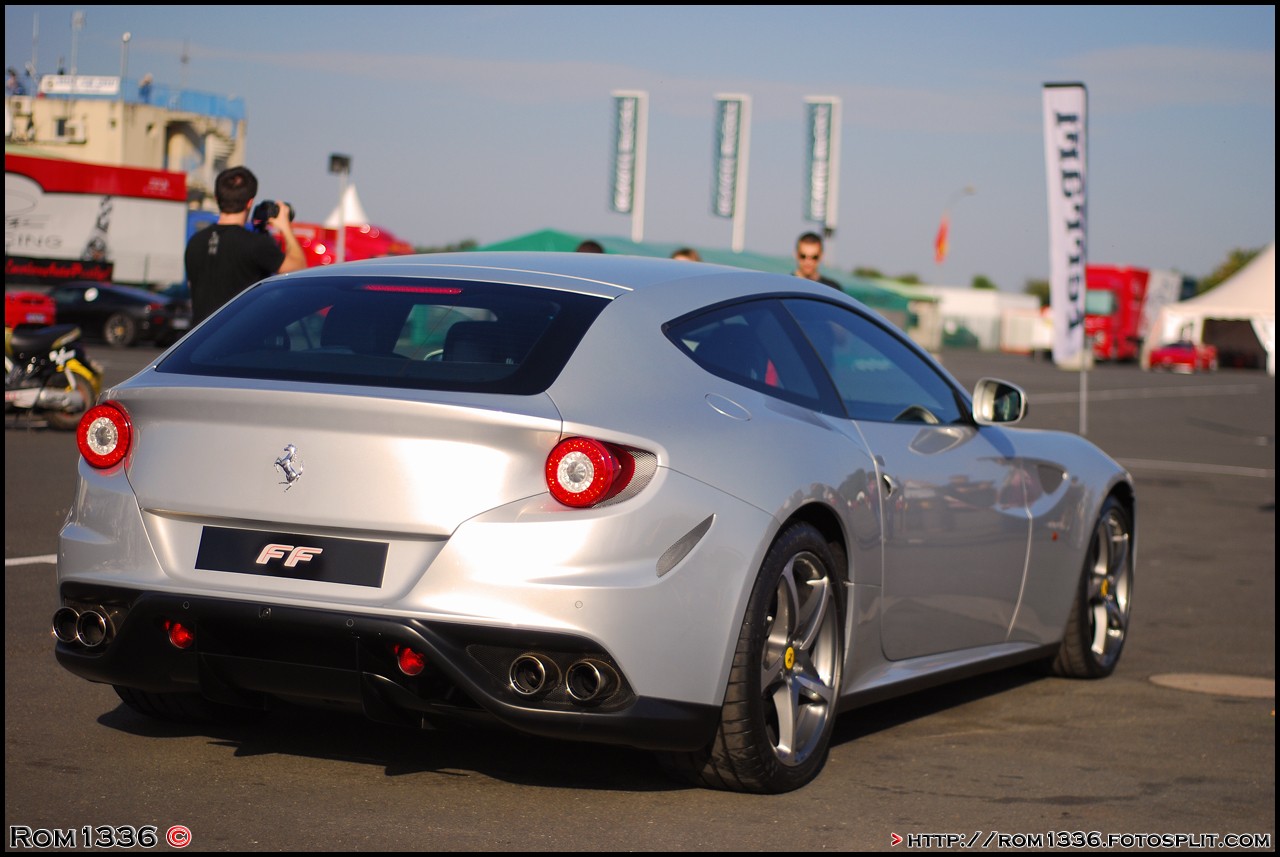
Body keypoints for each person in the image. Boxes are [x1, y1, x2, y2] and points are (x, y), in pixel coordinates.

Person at [185, 166, 306, 325]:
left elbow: (191, 286)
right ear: (250, 202)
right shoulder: (255, 244)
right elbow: (298, 266)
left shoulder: (195, 241)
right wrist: (285, 227)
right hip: (240, 336)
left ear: (217, 198)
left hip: (202, 336)